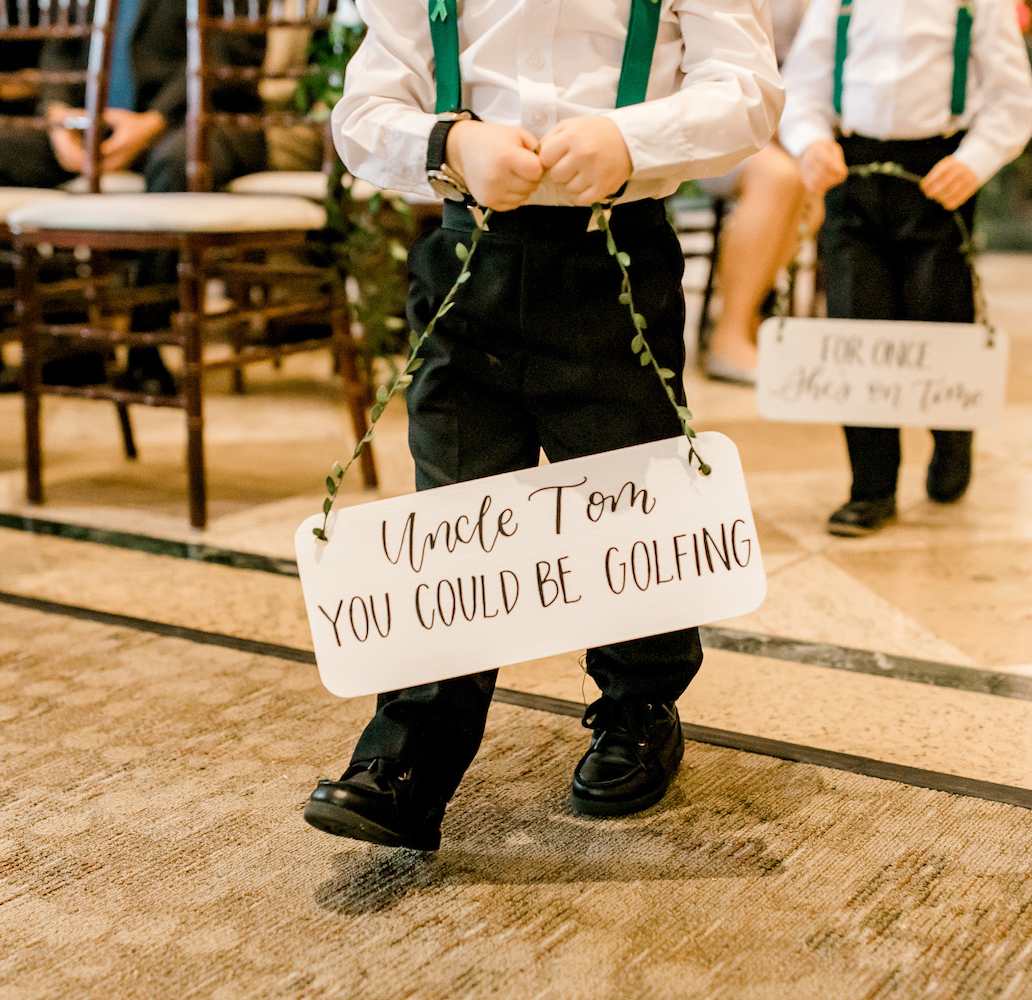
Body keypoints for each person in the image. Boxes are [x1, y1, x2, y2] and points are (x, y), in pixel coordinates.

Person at [302, 0, 782, 851]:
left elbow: (746, 90)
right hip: (466, 255)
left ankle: (639, 704)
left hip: (615, 261)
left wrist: (636, 137)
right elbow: (364, 112)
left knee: (629, 492)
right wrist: (448, 142)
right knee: (456, 506)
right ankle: (411, 750)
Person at [779, 0, 1032, 536]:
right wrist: (810, 141)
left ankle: (951, 434)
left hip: (937, 174)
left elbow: (1014, 99)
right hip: (851, 173)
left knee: (938, 315)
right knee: (859, 325)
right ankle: (870, 487)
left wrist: (975, 160)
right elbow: (801, 86)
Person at [0, 0, 266, 393]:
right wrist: (59, 118)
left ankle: (149, 345)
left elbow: (231, 53)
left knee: (175, 165)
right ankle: (65, 339)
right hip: (93, 127)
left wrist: (153, 121)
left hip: (200, 120)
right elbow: (57, 52)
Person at [700, 0, 815, 386]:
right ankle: (728, 334)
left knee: (812, 187)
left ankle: (749, 316)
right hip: (712, 116)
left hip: (779, 117)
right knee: (780, 177)